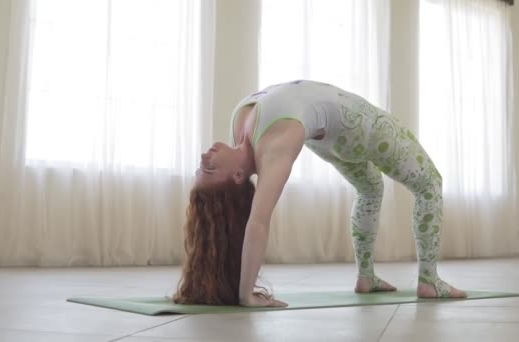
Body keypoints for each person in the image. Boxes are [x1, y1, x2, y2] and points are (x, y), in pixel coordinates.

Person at [173, 80, 467, 307]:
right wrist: (245, 294)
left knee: (369, 188)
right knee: (429, 184)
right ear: (237, 177)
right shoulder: (274, 150)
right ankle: (429, 280)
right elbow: (258, 222)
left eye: (200, 169)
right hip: (363, 126)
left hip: (332, 133)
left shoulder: (241, 127)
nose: (203, 159)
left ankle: (366, 278)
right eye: (208, 170)